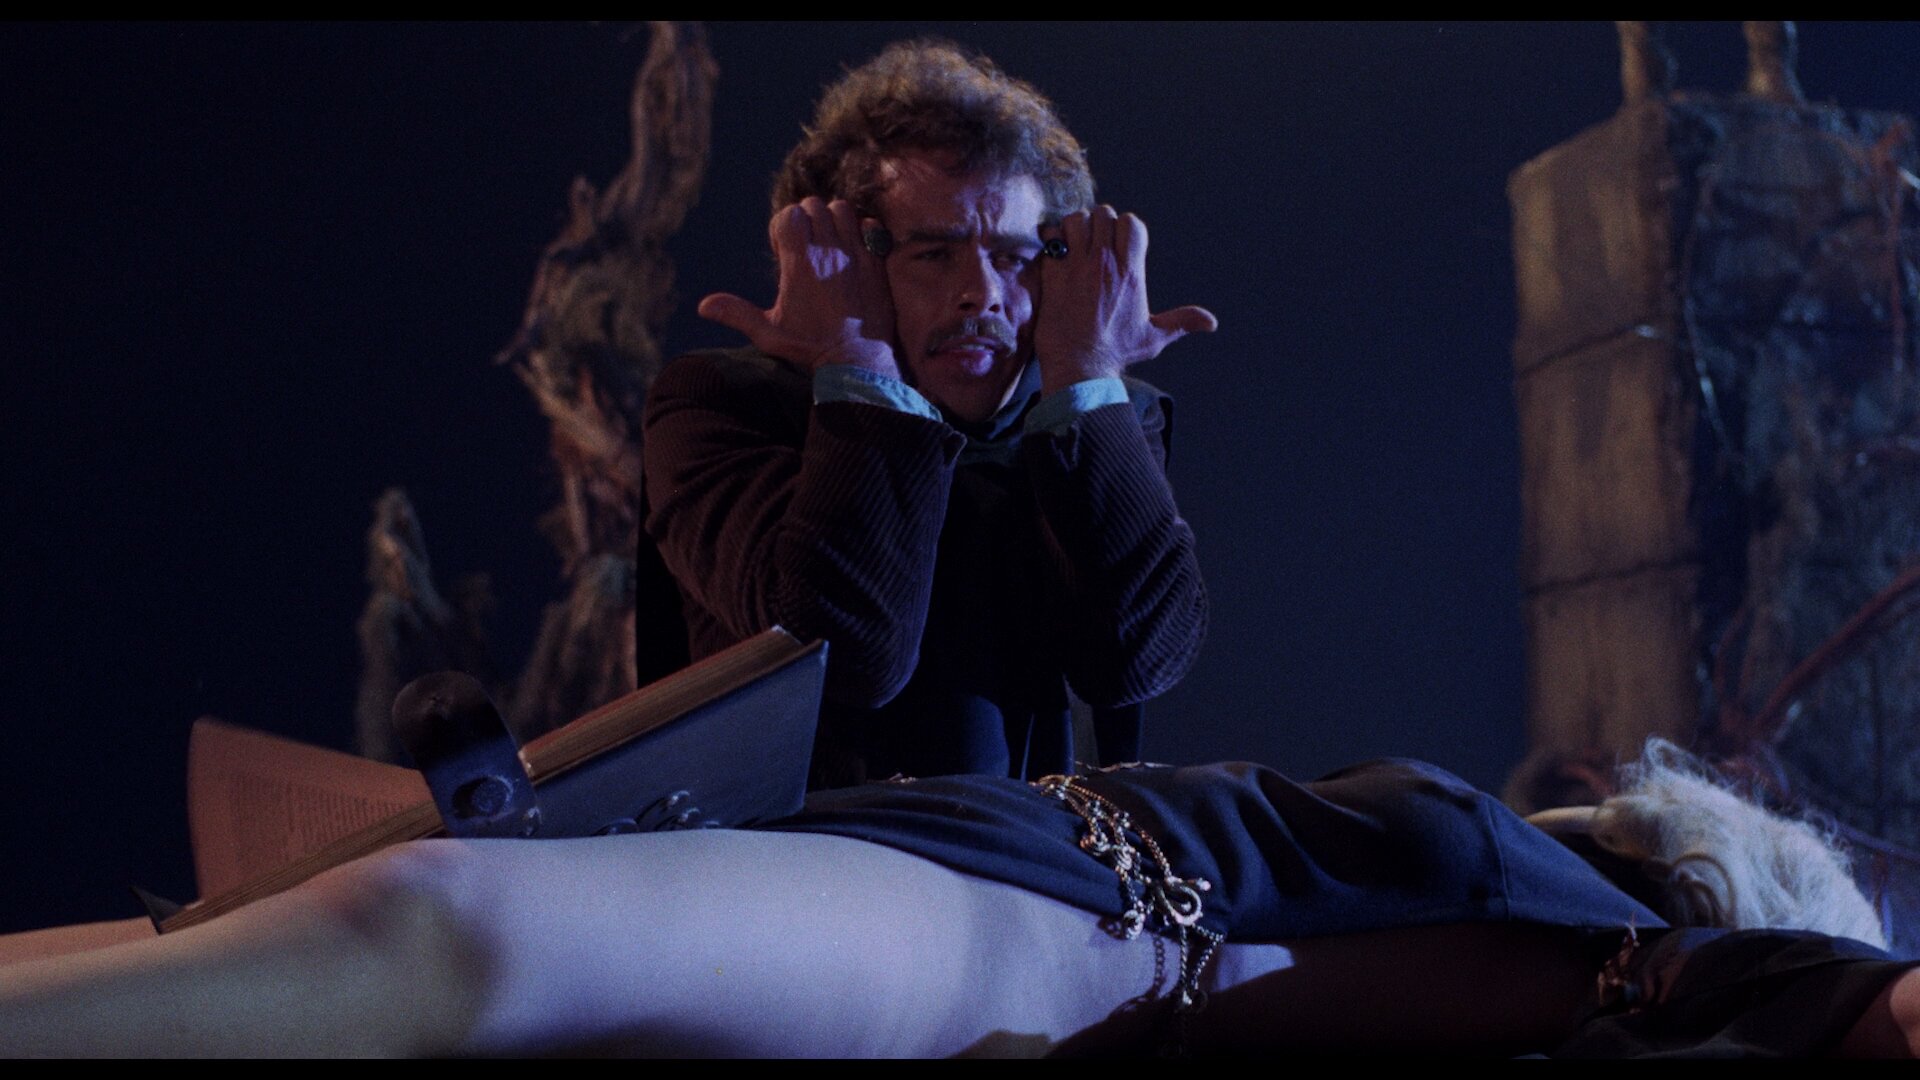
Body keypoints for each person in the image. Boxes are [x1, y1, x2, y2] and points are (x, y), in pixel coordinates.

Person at [1, 751, 1914, 1057]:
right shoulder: (1551, 903)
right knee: (287, 942)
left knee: (445, 936)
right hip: (989, 867)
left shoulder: (1643, 964)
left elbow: (1865, 1008)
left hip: (1046, 931)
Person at [639, 40, 1215, 787]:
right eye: (934, 254)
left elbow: (1138, 660)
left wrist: (1087, 375)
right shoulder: (723, 402)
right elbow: (851, 654)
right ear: (841, 260)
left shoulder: (1103, 411)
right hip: (811, 849)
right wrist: (860, 368)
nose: (982, 294)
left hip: (1040, 849)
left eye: (1014, 257)